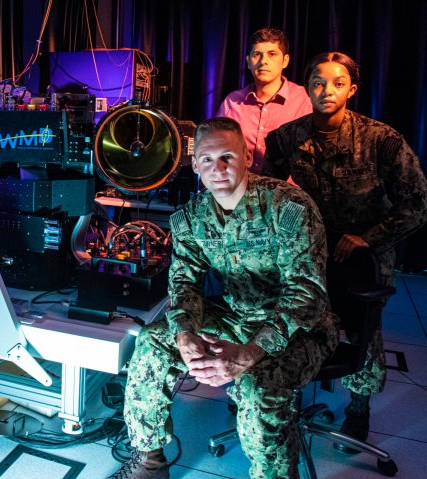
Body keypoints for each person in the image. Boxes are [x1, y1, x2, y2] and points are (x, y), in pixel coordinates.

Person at [109, 117, 338, 479]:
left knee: (258, 385)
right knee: (153, 341)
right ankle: (149, 460)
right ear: (195, 165)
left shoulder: (288, 206)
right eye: (207, 159)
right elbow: (184, 282)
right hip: (236, 314)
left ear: (247, 157)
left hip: (299, 329)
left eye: (227, 157)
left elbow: (306, 295)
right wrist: (185, 334)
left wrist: (252, 350)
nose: (218, 169)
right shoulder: (191, 218)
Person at [263, 51, 427, 452]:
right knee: (298, 321)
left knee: (362, 330)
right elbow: (267, 195)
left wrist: (369, 237)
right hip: (309, 251)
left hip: (364, 256)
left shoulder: (381, 140)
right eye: (318, 83)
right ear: (307, 87)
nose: (327, 91)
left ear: (351, 89)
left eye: (338, 83)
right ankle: (285, 397)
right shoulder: (286, 137)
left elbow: (417, 205)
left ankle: (358, 409)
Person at [216, 27, 311, 174]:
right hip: (241, 186)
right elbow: (216, 147)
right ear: (248, 62)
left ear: (285, 61)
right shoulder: (233, 102)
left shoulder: (304, 100)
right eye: (257, 55)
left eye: (272, 54)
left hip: (287, 188)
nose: (263, 61)